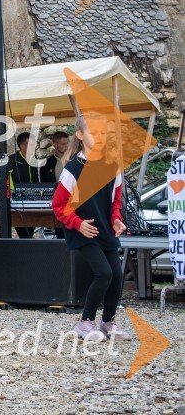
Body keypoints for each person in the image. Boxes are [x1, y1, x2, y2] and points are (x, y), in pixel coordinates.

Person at [51, 112, 130, 341]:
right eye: (94, 132)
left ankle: (108, 322)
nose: (100, 137)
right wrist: (77, 223)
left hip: (105, 229)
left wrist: (116, 219)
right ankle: (85, 322)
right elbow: (58, 205)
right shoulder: (73, 169)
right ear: (80, 135)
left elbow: (115, 201)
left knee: (117, 274)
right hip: (81, 230)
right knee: (104, 273)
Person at [9, 131, 41, 239]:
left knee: (28, 234)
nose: (34, 147)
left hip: (34, 203)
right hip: (17, 203)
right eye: (31, 145)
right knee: (24, 234)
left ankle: (26, 248)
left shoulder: (34, 159)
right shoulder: (11, 160)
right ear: (22, 146)